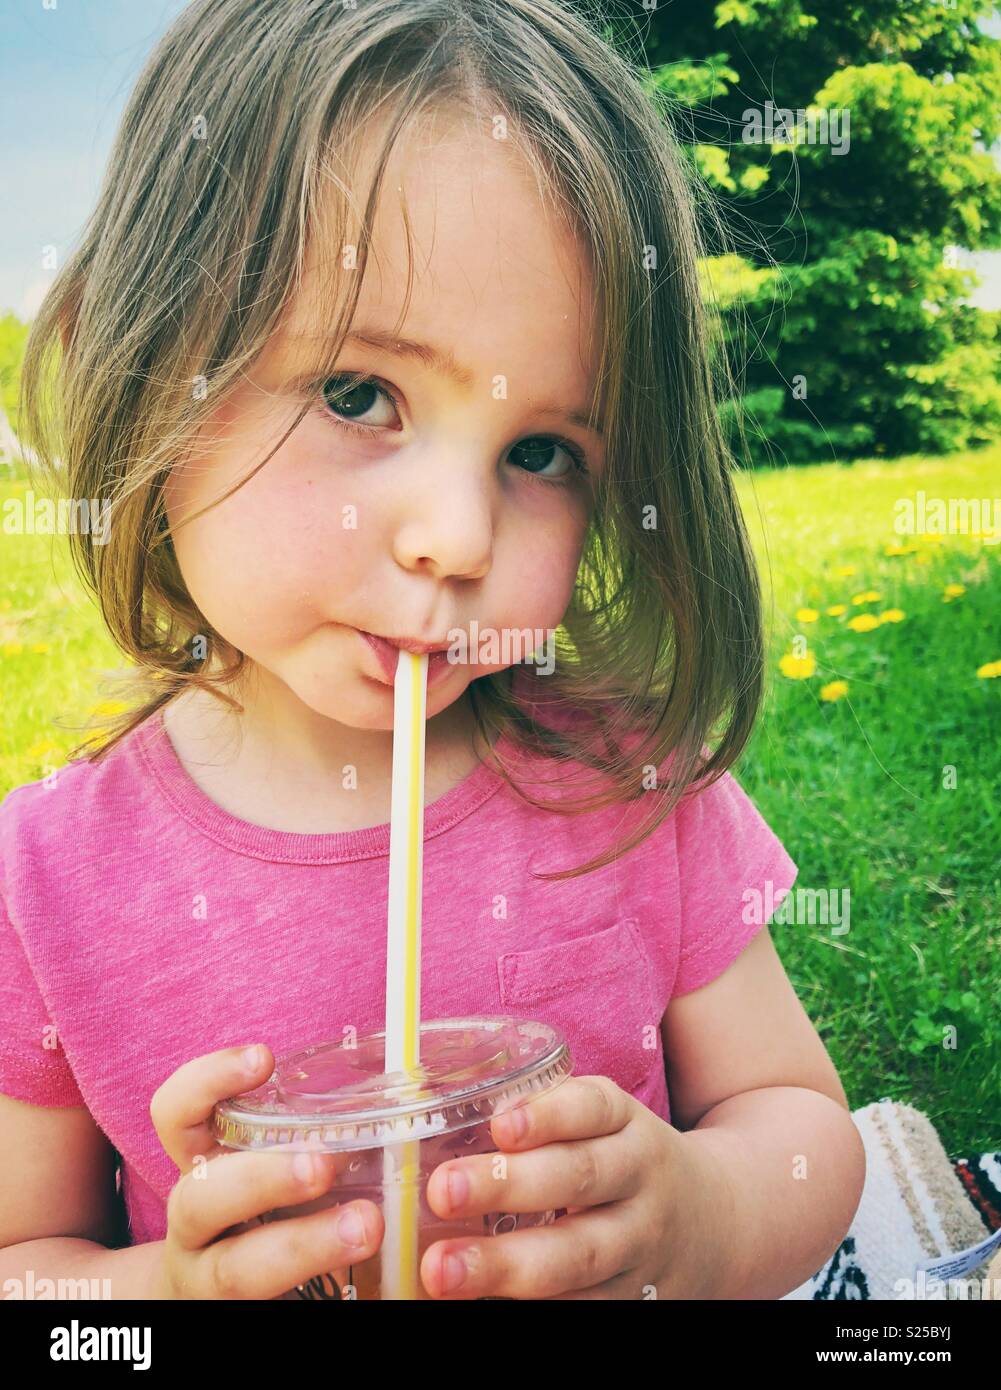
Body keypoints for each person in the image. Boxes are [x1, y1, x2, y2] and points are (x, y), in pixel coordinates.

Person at [0, 0, 864, 1300]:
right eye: (358, 394)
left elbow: (801, 1126)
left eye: (541, 454)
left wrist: (697, 1218)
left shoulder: (631, 785)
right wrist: (162, 1291)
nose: (457, 536)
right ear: (145, 361)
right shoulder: (49, 883)